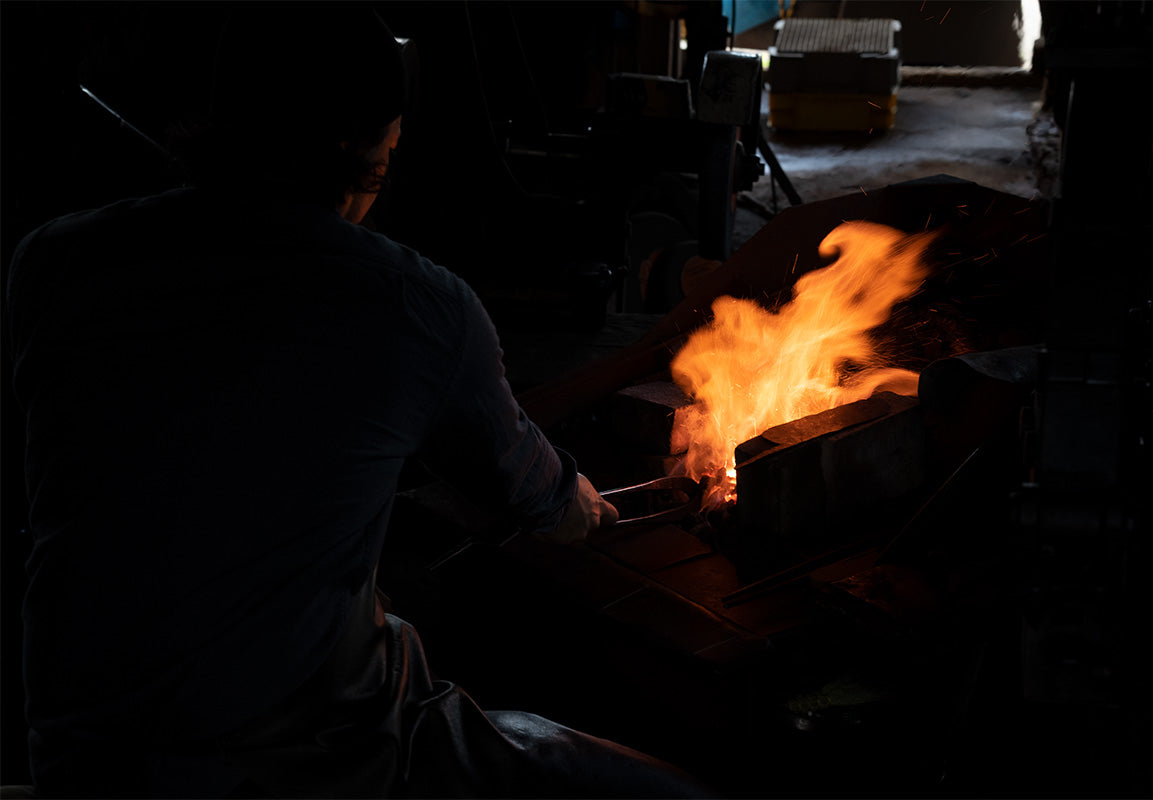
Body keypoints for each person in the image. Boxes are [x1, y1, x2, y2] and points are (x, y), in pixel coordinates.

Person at [5, 6, 712, 798]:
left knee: (392, 627)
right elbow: (539, 496)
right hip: (303, 762)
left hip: (74, 749)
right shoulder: (416, 306)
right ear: (366, 146)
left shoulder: (51, 261)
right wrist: (581, 506)